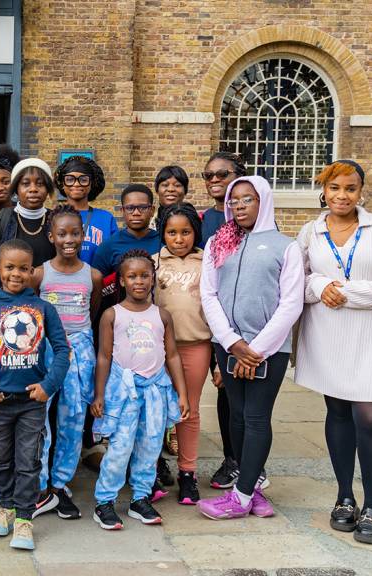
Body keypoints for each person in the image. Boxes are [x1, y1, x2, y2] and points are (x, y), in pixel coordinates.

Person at [294, 160, 372, 545]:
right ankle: (345, 496)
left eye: (350, 188)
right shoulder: (310, 231)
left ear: (361, 192)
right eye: (334, 188)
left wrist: (343, 292)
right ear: (324, 192)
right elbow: (298, 279)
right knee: (340, 413)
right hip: (331, 335)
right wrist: (319, 285)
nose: (341, 196)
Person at [197, 175, 304, 521]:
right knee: (237, 416)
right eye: (234, 200)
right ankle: (251, 485)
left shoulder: (284, 246)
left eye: (248, 200)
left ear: (264, 201)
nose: (239, 206)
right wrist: (232, 343)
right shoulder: (218, 242)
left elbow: (291, 304)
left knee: (257, 417)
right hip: (227, 344)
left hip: (268, 350)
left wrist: (255, 349)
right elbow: (208, 294)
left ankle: (240, 498)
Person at [0, 239, 70, 551]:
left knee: (28, 460)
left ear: (33, 272)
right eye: (9, 267)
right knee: (2, 458)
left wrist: (48, 386)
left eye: (23, 268)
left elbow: (63, 350)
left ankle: (24, 519)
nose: (16, 274)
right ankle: (6, 508)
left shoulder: (43, 308)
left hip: (31, 403)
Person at [90, 249, 189, 530]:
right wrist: (99, 394)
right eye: (132, 276)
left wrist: (181, 393)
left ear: (153, 278)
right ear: (121, 281)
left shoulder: (162, 315)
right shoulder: (112, 315)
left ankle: (140, 498)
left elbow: (172, 355)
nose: (139, 281)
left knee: (150, 445)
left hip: (156, 390)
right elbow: (104, 357)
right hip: (125, 393)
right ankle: (104, 502)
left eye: (145, 275)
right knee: (120, 447)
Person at [31, 206, 102, 520]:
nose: (69, 239)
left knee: (73, 416)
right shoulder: (40, 273)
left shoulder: (93, 275)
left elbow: (94, 309)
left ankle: (60, 484)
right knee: (40, 416)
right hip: (46, 348)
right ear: (51, 237)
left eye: (75, 232)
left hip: (80, 349)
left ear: (83, 235)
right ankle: (40, 484)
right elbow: (32, 309)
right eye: (62, 233)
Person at [152, 202, 211, 505]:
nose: (178, 239)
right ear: (163, 233)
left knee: (188, 410)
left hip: (195, 345)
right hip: (157, 349)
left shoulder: (207, 263)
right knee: (155, 410)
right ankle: (151, 469)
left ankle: (187, 473)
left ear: (195, 233)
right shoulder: (154, 263)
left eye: (185, 232)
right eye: (172, 232)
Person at [198, 151, 247, 490]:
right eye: (209, 176)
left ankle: (239, 460)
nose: (215, 181)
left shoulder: (253, 220)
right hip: (199, 320)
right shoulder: (202, 220)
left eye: (222, 174)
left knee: (231, 394)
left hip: (235, 323)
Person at [0, 158, 56, 299]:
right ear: (16, 188)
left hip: (50, 303)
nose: (33, 189)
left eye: (40, 184)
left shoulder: (56, 221)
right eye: (25, 184)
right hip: (7, 306)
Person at [55, 155, 117, 265]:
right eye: (70, 179)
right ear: (62, 184)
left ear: (92, 183)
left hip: (97, 280)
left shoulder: (106, 219)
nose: (77, 184)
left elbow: (114, 255)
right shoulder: (54, 217)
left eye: (83, 180)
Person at [91, 184, 161, 282]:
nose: (136, 213)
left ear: (152, 210)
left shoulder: (163, 242)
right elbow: (97, 284)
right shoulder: (108, 246)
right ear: (122, 211)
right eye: (130, 208)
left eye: (143, 207)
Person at [153, 165, 189, 230]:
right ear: (157, 190)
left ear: (185, 191)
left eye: (177, 185)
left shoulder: (194, 222)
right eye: (165, 185)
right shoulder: (148, 224)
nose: (171, 189)